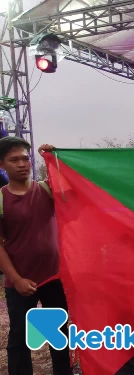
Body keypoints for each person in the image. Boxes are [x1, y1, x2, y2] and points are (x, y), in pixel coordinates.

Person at [0, 137, 72, 375]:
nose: (22, 164)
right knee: (19, 338)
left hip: (54, 277)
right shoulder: (1, 199)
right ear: (2, 165)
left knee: (59, 334)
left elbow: (74, 187)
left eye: (25, 158)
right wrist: (17, 280)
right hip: (20, 282)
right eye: (14, 160)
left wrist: (54, 158)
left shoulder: (46, 189)